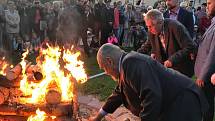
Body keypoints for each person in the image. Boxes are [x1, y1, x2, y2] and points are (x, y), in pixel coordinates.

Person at [89, 43, 208, 121]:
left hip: (183, 102)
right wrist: (99, 116)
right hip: (175, 102)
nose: (106, 72)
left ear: (109, 61)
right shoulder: (126, 64)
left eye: (103, 68)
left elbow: (152, 96)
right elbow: (119, 93)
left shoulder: (131, 64)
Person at [138, 9, 196, 77]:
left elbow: (190, 46)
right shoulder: (152, 31)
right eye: (147, 26)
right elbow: (147, 46)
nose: (149, 29)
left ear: (160, 22)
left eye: (150, 26)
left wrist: (172, 59)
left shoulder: (176, 27)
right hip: (164, 69)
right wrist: (134, 54)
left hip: (180, 69)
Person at [194, 0, 215, 120]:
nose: (206, 7)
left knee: (206, 105)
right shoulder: (213, 22)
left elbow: (213, 54)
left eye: (209, 3)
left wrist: (203, 75)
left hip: (206, 76)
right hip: (204, 73)